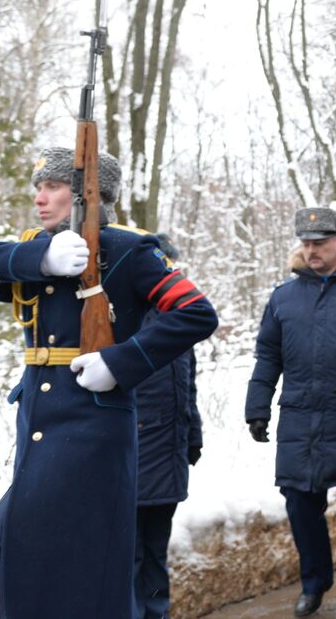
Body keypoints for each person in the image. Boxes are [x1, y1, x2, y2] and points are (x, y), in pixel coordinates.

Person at [0, 147, 218, 619]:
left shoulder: (129, 249)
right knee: (42, 557)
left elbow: (196, 313)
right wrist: (39, 257)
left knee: (12, 548)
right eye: (39, 187)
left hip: (92, 431)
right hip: (37, 425)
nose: (40, 198)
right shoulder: (41, 249)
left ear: (87, 197)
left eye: (54, 187)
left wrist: (121, 362)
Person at [245, 206, 336, 618]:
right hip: (299, 418)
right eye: (306, 243)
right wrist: (257, 407)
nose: (312, 251)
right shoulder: (283, 297)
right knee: (300, 505)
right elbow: (267, 356)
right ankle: (315, 581)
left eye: (320, 243)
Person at [133, 233, 204, 619]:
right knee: (131, 554)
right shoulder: (123, 316)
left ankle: (155, 613)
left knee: (155, 553)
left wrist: (193, 434)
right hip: (133, 452)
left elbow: (186, 385)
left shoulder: (177, 319)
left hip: (169, 453)